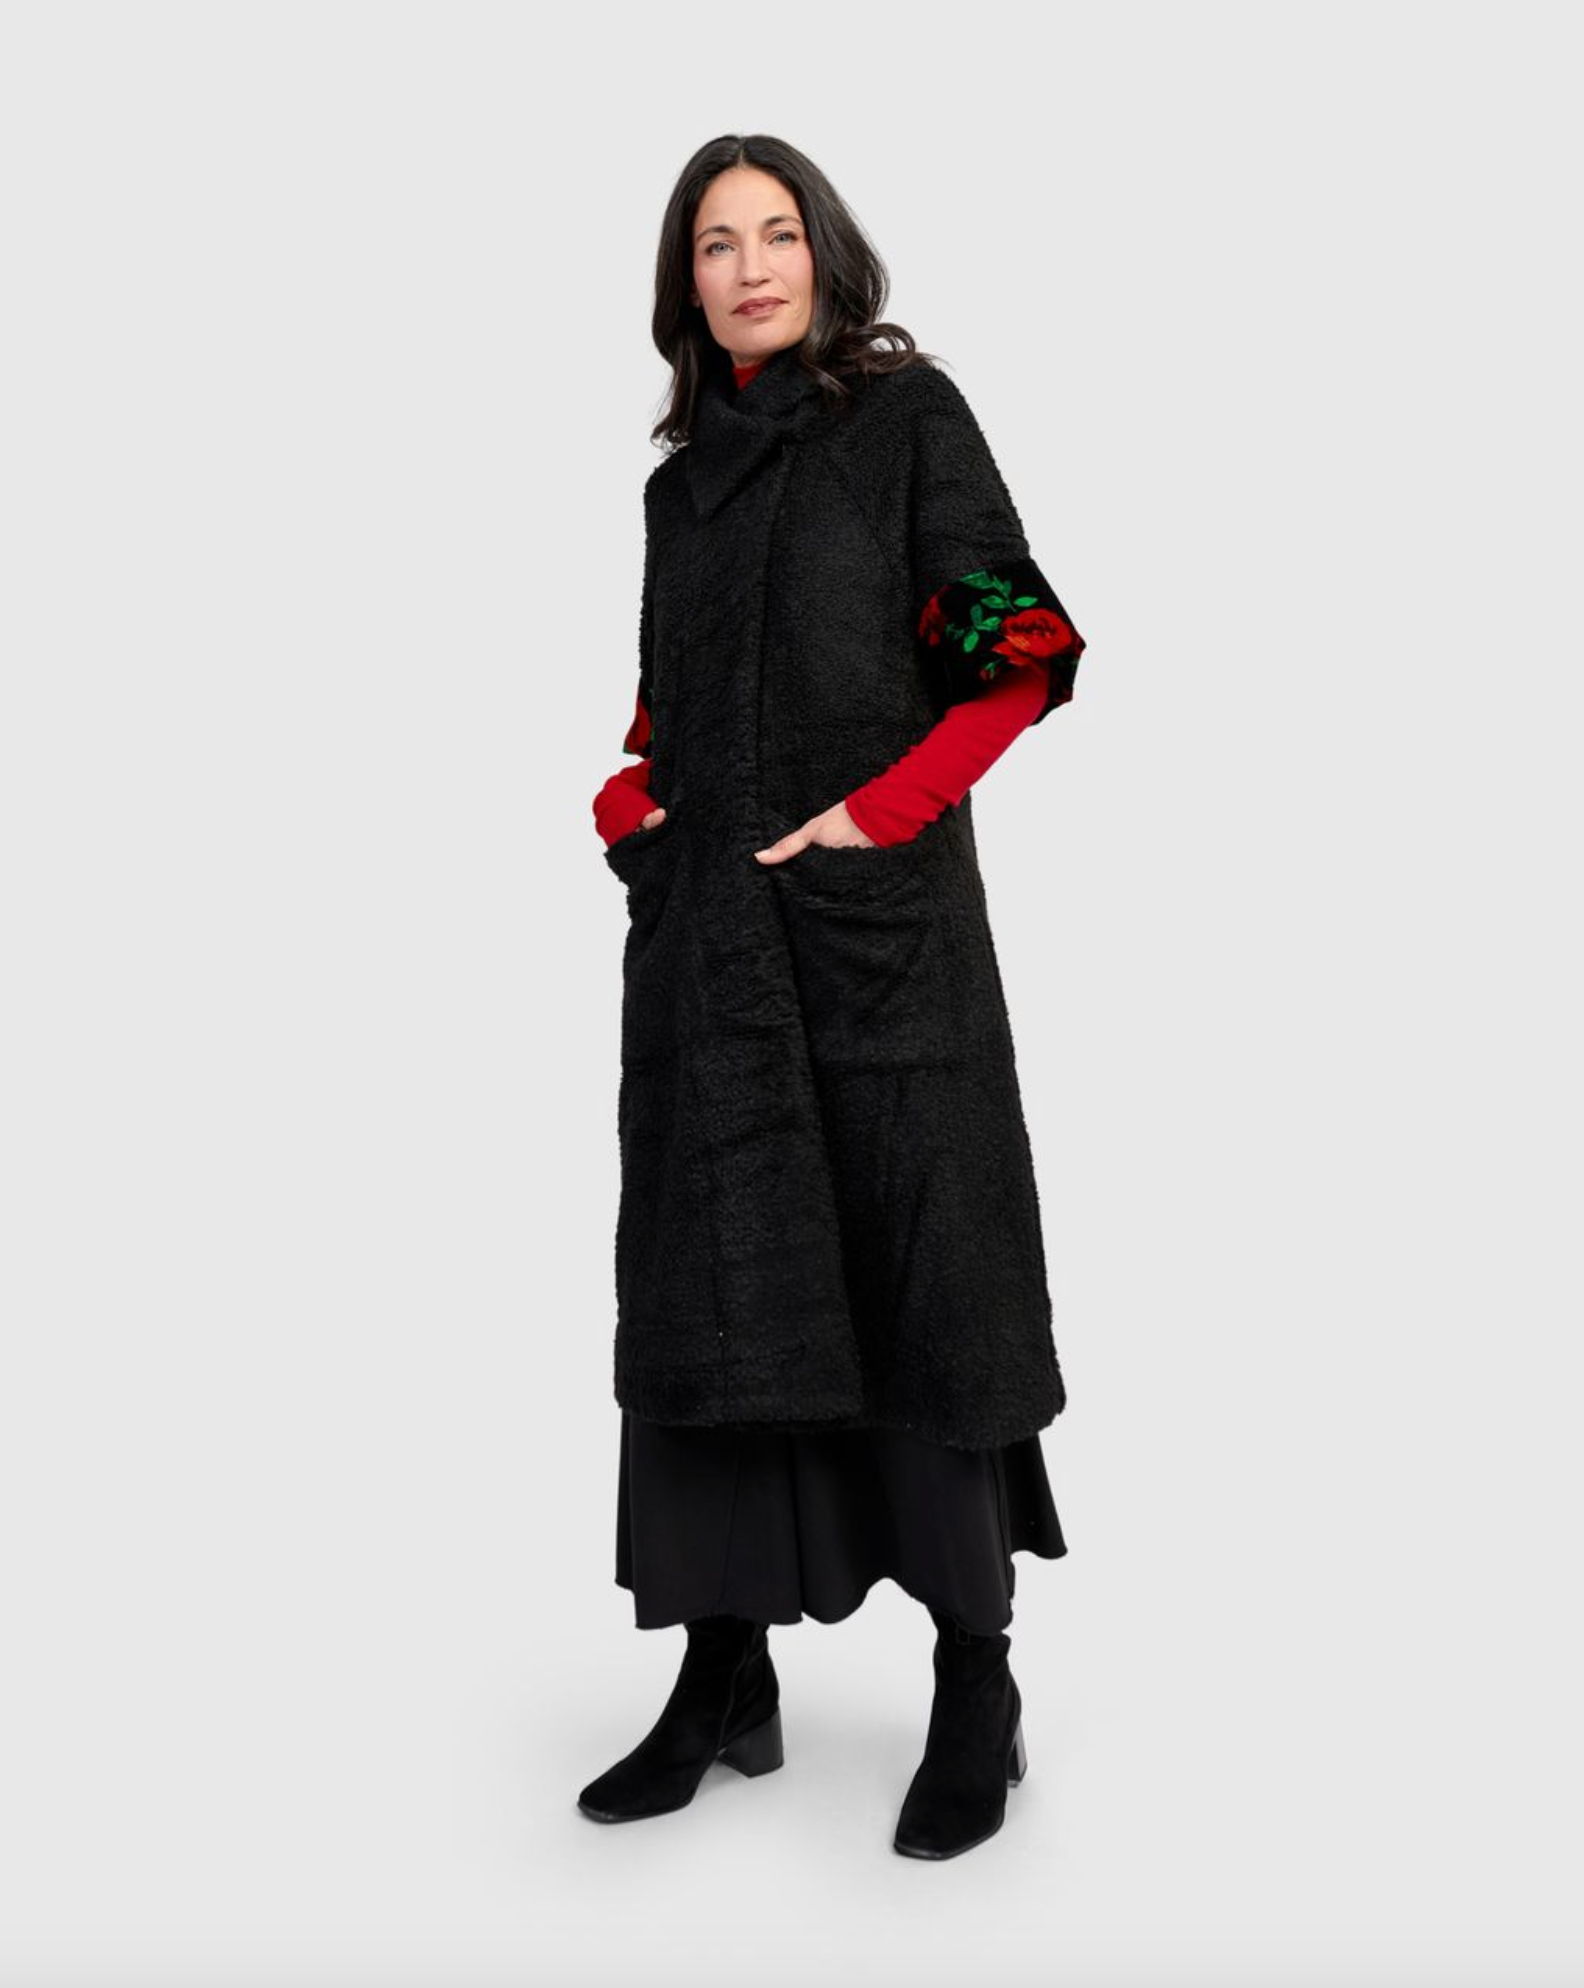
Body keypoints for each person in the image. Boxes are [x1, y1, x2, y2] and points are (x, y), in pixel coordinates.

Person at [577, 134, 1088, 1861]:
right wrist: (629, 804)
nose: (749, 267)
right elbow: (665, 710)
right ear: (686, 283)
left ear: (824, 252)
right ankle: (724, 1678)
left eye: (775, 232)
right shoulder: (677, 492)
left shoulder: (905, 424)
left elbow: (1016, 654)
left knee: (922, 1293)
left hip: (881, 958)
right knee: (715, 1298)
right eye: (715, 244)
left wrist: (880, 814)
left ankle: (976, 1685)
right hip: (712, 962)